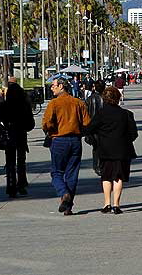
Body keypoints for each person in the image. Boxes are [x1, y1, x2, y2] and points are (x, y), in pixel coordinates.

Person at [84, 86, 138, 214]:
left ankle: (106, 203)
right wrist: (125, 139)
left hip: (104, 149)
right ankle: (116, 205)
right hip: (122, 150)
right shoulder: (126, 114)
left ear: (104, 98)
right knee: (118, 177)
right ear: (118, 98)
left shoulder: (101, 114)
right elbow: (134, 133)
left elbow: (89, 129)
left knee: (106, 176)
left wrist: (97, 138)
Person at [42, 77, 90, 215]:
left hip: (59, 139)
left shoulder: (54, 104)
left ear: (61, 86)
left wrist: (51, 130)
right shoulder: (78, 103)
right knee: (72, 173)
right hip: (75, 140)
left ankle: (64, 194)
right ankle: (68, 207)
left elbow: (46, 123)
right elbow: (87, 122)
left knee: (57, 172)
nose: (52, 88)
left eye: (53, 85)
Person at [0, 82, 35, 198]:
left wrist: (3, 129)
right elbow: (31, 124)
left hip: (8, 135)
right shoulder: (24, 106)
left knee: (10, 162)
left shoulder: (3, 106)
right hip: (21, 135)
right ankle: (21, 184)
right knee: (21, 161)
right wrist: (23, 127)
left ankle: (11, 185)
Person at [85, 79, 106, 175]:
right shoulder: (106, 98)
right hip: (104, 126)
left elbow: (86, 113)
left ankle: (97, 166)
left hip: (93, 126)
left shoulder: (90, 99)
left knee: (96, 147)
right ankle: (101, 165)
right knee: (104, 147)